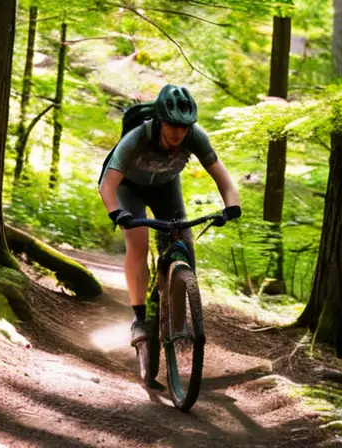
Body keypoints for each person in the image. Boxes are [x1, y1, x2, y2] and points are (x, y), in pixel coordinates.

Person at [97, 84, 241, 346]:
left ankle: (180, 323)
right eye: (173, 125)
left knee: (184, 243)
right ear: (161, 121)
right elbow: (107, 185)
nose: (178, 132)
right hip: (129, 189)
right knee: (138, 242)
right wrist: (117, 214)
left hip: (166, 187)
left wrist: (231, 206)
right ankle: (139, 318)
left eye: (184, 127)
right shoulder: (138, 137)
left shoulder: (195, 136)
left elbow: (223, 177)